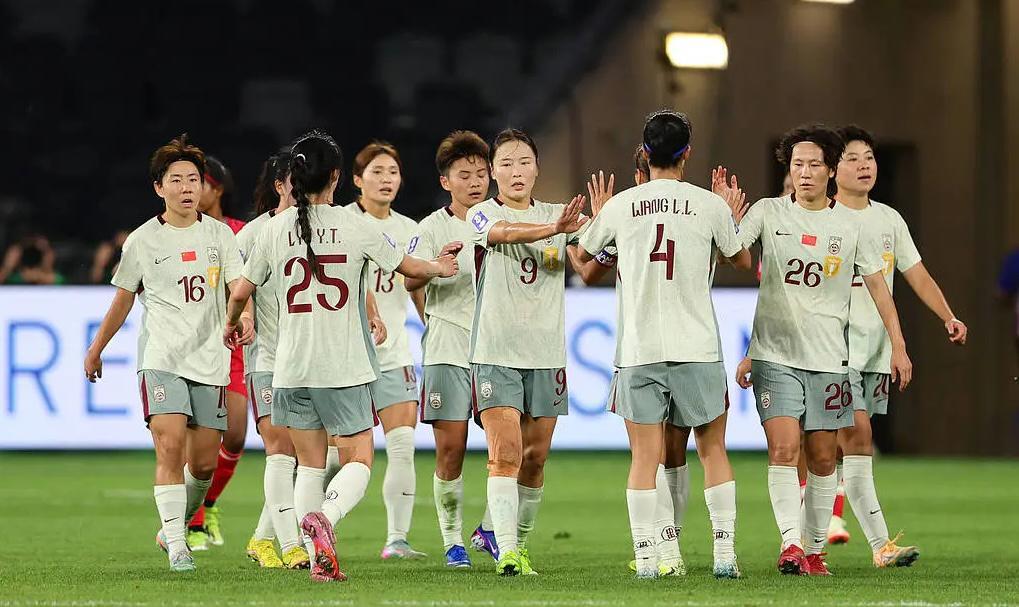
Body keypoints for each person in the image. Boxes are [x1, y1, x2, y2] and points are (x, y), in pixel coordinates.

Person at [223, 130, 459, 582]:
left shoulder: (273, 229)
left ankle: (318, 559)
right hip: (342, 365)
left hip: (290, 368)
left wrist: (231, 322)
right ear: (335, 176)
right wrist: (439, 267)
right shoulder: (355, 225)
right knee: (358, 461)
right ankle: (325, 519)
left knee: (310, 466)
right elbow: (407, 267)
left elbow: (239, 292)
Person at [575, 111, 750, 579]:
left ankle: (649, 560)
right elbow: (741, 259)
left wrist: (597, 218)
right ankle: (724, 555)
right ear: (687, 152)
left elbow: (584, 258)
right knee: (713, 450)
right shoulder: (709, 205)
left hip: (639, 350)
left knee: (644, 458)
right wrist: (729, 216)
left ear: (645, 152)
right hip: (698, 347)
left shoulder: (621, 206)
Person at [733, 124, 912, 576]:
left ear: (830, 170)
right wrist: (725, 214)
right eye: (798, 165)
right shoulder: (768, 212)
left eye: (814, 164)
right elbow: (733, 253)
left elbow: (879, 289)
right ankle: (791, 545)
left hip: (831, 360)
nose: (805, 173)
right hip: (775, 356)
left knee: (823, 457)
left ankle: (813, 552)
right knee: (783, 448)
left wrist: (899, 345)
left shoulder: (849, 226)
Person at [84, 134, 250, 572]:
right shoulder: (142, 241)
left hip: (210, 361)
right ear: (159, 187)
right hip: (162, 360)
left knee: (204, 464)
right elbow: (123, 299)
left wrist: (245, 317)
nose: (187, 187)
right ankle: (178, 546)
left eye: (193, 179)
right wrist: (97, 348)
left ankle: (171, 526)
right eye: (176, 179)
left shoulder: (220, 235)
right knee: (170, 446)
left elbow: (238, 288)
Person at [833, 124, 967, 567]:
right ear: (834, 168)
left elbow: (916, 274)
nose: (864, 165)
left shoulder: (889, 219)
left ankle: (807, 542)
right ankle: (876, 546)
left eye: (869, 157)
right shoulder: (824, 218)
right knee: (857, 438)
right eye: (852, 158)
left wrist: (947, 315)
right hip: (831, 350)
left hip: (874, 351)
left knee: (844, 448)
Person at [465, 128, 588, 576]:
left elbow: (589, 267)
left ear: (537, 168)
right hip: (496, 350)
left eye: (524, 162)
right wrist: (555, 230)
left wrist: (605, 233)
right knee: (506, 454)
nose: (516, 171)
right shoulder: (482, 213)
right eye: (506, 164)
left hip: (546, 354)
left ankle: (509, 539)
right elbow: (503, 233)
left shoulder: (559, 213)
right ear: (493, 172)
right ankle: (508, 553)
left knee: (535, 459)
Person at [405, 130, 491, 568]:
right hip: (448, 347)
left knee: (512, 449)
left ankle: (491, 529)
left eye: (481, 173)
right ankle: (453, 541)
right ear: (445, 181)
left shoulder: (500, 222)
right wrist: (436, 267)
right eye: (464, 174)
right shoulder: (431, 227)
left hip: (495, 348)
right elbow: (410, 280)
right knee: (452, 448)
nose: (475, 182)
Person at [343, 142, 428, 560]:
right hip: (345, 357)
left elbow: (416, 287)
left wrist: (431, 324)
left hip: (394, 354)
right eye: (377, 172)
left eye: (392, 172)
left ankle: (397, 539)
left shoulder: (410, 230)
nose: (386, 179)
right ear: (357, 180)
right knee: (333, 457)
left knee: (402, 444)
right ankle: (310, 527)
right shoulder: (340, 223)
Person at [235, 151, 312, 570]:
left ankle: (262, 538)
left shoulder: (319, 230)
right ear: (279, 185)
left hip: (309, 359)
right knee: (280, 449)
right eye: (293, 180)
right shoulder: (253, 235)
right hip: (267, 358)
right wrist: (243, 317)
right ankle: (292, 546)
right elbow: (235, 288)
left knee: (312, 457)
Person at [188, 155, 248, 549]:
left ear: (218, 189)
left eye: (201, 183)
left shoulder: (240, 232)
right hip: (195, 346)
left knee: (236, 435)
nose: (193, 190)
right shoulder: (180, 232)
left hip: (234, 345)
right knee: (197, 439)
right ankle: (191, 524)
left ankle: (207, 504)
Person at [1, 235, 66, 285]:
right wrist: (8, 266)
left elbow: (57, 279)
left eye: (45, 252)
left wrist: (40, 275)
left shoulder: (59, 279)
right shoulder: (13, 277)